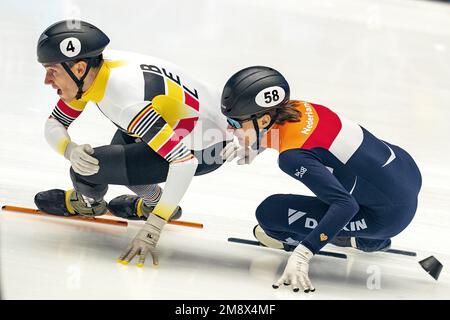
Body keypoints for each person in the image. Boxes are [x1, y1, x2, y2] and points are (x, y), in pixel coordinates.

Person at [35, 20, 231, 266]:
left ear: (78, 68)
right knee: (113, 156)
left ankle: (93, 204)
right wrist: (69, 149)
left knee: (87, 169)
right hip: (201, 123)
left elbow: (184, 162)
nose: (46, 80)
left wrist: (154, 228)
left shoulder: (126, 101)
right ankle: (155, 201)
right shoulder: (95, 69)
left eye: (52, 71)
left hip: (204, 149)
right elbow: (56, 122)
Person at [220, 66, 422, 293]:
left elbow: (345, 205)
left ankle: (365, 238)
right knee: (344, 179)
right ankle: (365, 236)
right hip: (406, 172)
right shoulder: (297, 107)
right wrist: (254, 146)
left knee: (269, 214)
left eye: (236, 123)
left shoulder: (292, 158)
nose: (230, 128)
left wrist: (303, 253)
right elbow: (288, 134)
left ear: (265, 118)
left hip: (388, 217)